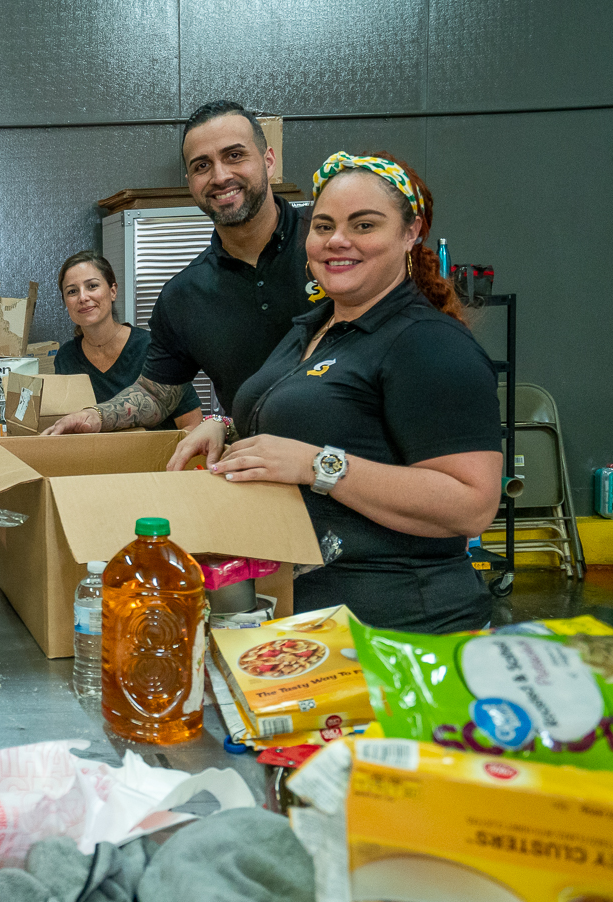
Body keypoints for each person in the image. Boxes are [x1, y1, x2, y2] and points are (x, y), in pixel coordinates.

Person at [173, 153, 502, 632]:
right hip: (309, 620)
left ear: (410, 233)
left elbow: (471, 505)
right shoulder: (319, 326)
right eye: (323, 226)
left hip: (400, 630)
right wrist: (225, 427)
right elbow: (314, 418)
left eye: (364, 225)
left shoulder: (427, 343)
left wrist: (316, 465)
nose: (338, 241)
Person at [46, 100, 318, 442]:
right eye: (203, 165)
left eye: (235, 156)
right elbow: (158, 393)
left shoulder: (329, 247)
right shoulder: (184, 295)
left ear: (268, 160)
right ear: (191, 181)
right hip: (260, 472)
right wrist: (95, 417)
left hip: (364, 470)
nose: (220, 176)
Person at [53, 251, 203, 431]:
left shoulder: (153, 348)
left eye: (92, 286)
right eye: (72, 291)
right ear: (65, 302)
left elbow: (192, 424)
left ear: (113, 291)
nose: (83, 297)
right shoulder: (66, 357)